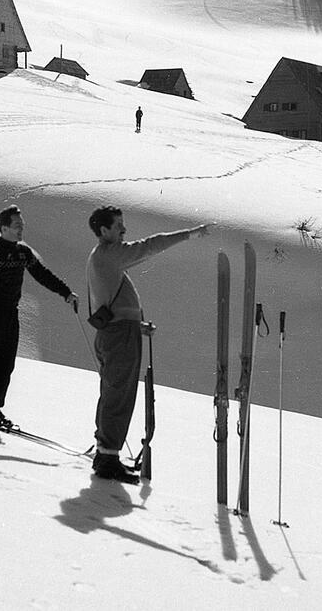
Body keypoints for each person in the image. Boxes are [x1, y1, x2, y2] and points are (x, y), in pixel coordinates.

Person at [86, 206, 209, 482]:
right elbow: (149, 246)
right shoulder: (111, 254)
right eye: (118, 225)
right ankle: (107, 458)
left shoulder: (102, 256)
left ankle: (106, 453)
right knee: (119, 394)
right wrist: (188, 234)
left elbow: (109, 301)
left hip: (116, 333)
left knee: (114, 392)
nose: (123, 230)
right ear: (104, 230)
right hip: (119, 337)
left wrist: (135, 325)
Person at [0, 205, 77, 430]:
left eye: (22, 226)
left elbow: (42, 275)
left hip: (10, 314)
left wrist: (66, 293)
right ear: (4, 228)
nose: (22, 230)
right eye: (17, 226)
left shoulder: (23, 253)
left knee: (5, 362)